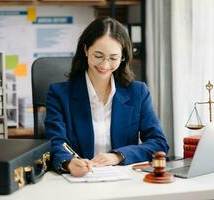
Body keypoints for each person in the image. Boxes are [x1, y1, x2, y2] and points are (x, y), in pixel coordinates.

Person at [45, 17, 169, 177]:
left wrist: (118, 156)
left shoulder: (138, 92)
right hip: (79, 181)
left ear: (123, 57)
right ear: (86, 50)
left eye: (113, 58)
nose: (104, 65)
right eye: (98, 55)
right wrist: (68, 163)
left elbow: (159, 143)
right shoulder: (59, 94)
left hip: (124, 181)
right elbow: (55, 143)